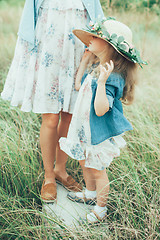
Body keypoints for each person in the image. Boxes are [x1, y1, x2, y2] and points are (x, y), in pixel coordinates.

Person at [1, 0, 104, 203]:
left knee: (69, 114)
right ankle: (48, 176)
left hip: (78, 46)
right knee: (50, 117)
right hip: (47, 43)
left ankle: (60, 170)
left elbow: (95, 12)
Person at [59, 18, 147, 223]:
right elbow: (79, 87)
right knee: (84, 163)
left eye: (95, 37)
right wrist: (84, 62)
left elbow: (100, 110)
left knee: (98, 170)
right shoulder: (98, 66)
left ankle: (101, 208)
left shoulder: (112, 76)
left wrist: (101, 82)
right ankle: (90, 194)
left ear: (109, 45)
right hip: (84, 129)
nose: (89, 39)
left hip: (98, 132)